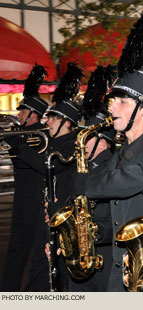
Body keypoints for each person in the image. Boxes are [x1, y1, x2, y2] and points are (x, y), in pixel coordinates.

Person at [70, 6, 143, 292]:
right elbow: (112, 213)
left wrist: (86, 183)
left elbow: (139, 177)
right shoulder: (119, 151)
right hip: (119, 271)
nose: (111, 106)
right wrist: (90, 235)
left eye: (121, 101)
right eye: (113, 101)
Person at [9, 62, 83, 291]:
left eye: (53, 117)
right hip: (44, 212)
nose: (46, 120)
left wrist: (21, 148)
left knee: (49, 272)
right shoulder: (53, 142)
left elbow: (48, 166)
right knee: (43, 272)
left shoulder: (70, 146)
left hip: (58, 216)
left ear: (66, 122)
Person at [65, 65, 117, 292]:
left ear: (103, 142)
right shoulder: (83, 166)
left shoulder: (113, 168)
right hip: (81, 259)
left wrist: (94, 232)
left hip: (103, 259)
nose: (78, 143)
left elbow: (117, 217)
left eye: (85, 139)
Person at [0, 65, 50, 291]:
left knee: (36, 252)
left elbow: (37, 163)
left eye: (23, 111)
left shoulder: (42, 135)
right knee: (16, 249)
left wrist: (18, 146)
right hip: (22, 197)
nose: (19, 115)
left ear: (33, 114)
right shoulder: (20, 133)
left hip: (36, 200)